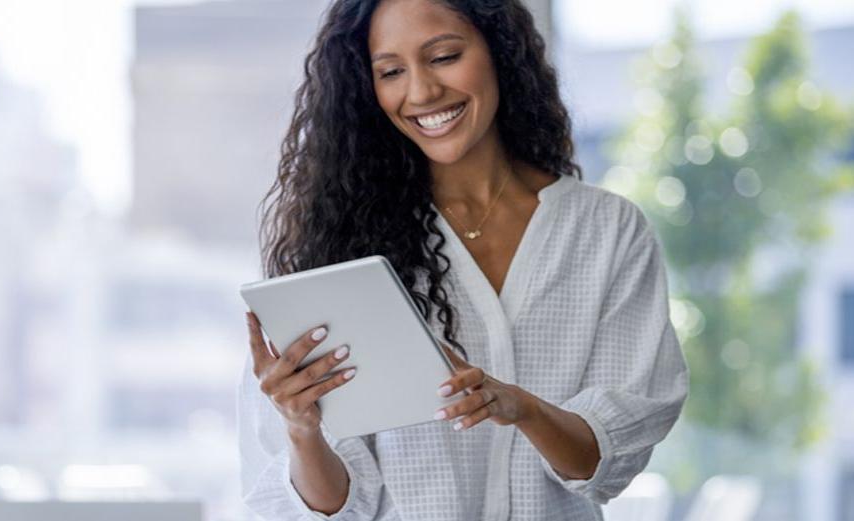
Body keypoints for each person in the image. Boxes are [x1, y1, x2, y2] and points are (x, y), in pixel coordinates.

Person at [237, 0, 690, 519]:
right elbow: (337, 506)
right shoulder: (335, 247)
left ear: (500, 51)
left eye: (445, 56)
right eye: (391, 72)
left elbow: (603, 464)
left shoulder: (605, 231)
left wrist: (522, 408)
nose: (422, 92)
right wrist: (301, 428)